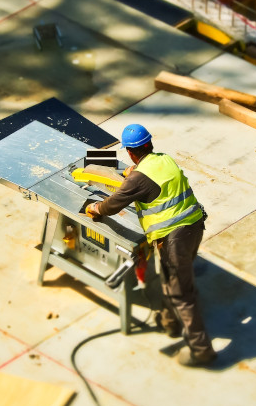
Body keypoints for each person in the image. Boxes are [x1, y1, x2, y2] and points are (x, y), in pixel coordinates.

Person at [85, 124, 218, 367]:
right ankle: (170, 322)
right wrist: (134, 172)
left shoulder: (138, 179)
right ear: (149, 144)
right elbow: (149, 176)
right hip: (195, 226)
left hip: (173, 238)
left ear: (129, 152)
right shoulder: (164, 160)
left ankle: (202, 350)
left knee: (181, 293)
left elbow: (112, 206)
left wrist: (95, 208)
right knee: (171, 278)